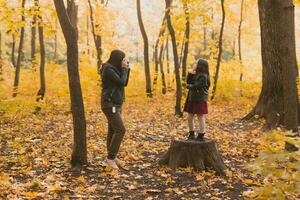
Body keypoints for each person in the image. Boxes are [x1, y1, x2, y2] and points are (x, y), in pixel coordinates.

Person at [100, 49, 130, 170]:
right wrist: (124, 69)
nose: (124, 61)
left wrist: (127, 69)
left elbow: (125, 82)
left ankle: (112, 156)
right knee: (120, 129)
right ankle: (110, 158)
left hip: (116, 104)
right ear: (117, 59)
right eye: (122, 59)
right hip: (109, 104)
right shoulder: (108, 69)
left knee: (112, 131)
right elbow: (122, 82)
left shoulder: (115, 69)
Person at [183, 58, 210, 141]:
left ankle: (201, 135)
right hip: (192, 98)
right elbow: (189, 82)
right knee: (190, 116)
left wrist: (188, 86)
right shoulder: (196, 74)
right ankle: (191, 133)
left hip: (199, 99)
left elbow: (196, 86)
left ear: (200, 66)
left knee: (200, 116)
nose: (194, 65)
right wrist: (190, 74)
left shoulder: (203, 76)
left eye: (196, 63)